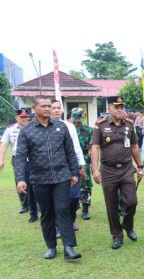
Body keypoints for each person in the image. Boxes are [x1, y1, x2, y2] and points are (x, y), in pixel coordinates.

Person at [14, 96, 81, 260]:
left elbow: (70, 152)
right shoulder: (26, 131)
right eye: (43, 106)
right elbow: (21, 157)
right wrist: (21, 179)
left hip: (61, 177)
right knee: (46, 213)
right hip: (39, 178)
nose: (47, 109)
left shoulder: (61, 127)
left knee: (63, 210)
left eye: (49, 106)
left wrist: (73, 173)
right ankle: (51, 246)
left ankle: (68, 247)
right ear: (34, 108)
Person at [91, 98, 144, 250]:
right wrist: (95, 169)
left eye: (122, 107)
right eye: (117, 107)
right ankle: (117, 235)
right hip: (108, 170)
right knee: (112, 205)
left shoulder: (129, 124)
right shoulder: (100, 125)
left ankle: (128, 225)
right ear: (109, 108)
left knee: (132, 201)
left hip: (127, 169)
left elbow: (134, 146)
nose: (120, 109)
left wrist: (139, 167)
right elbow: (95, 148)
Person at [51, 101, 86, 231]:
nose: (55, 110)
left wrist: (81, 165)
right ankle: (58, 227)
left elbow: (76, 146)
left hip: (70, 166)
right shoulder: (44, 127)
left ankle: (71, 219)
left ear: (62, 110)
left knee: (74, 196)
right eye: (53, 108)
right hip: (53, 168)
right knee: (56, 199)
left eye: (58, 108)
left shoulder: (69, 126)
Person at [0, 108, 38, 221]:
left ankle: (37, 207)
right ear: (16, 117)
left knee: (35, 184)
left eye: (26, 116)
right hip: (18, 159)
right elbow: (4, 145)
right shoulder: (10, 129)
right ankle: (26, 206)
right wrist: (1, 160)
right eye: (22, 117)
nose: (24, 119)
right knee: (21, 183)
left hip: (34, 159)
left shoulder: (35, 127)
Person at [71, 108, 94, 220]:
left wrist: (92, 164)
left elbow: (93, 148)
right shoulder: (68, 129)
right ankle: (74, 206)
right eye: (75, 119)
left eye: (79, 119)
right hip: (71, 161)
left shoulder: (89, 130)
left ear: (83, 117)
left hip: (85, 161)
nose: (77, 122)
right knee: (72, 184)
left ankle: (85, 209)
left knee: (85, 185)